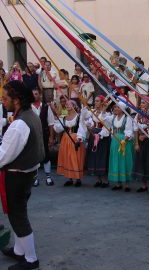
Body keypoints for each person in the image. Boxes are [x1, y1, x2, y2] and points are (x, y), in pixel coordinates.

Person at [0, 80, 44, 270]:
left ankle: (31, 259)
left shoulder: (19, 124)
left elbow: (2, 157)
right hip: (27, 173)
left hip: (17, 177)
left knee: (18, 216)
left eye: (5, 97)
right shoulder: (31, 114)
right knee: (18, 213)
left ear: (16, 99)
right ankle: (19, 251)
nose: (2, 100)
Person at [53, 100, 86, 187]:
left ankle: (78, 179)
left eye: (70, 103)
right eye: (66, 104)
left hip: (76, 139)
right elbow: (57, 129)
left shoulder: (79, 117)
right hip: (66, 140)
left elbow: (82, 128)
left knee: (76, 158)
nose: (67, 105)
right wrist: (56, 118)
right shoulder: (64, 118)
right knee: (67, 158)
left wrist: (79, 139)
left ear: (74, 106)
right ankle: (69, 178)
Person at [31, 88, 55, 187]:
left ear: (40, 95)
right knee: (34, 156)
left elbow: (51, 123)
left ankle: (48, 177)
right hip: (32, 135)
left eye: (36, 94)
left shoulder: (46, 107)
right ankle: (35, 178)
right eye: (32, 94)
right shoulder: (28, 107)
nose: (34, 96)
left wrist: (51, 137)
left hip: (44, 134)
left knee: (46, 155)